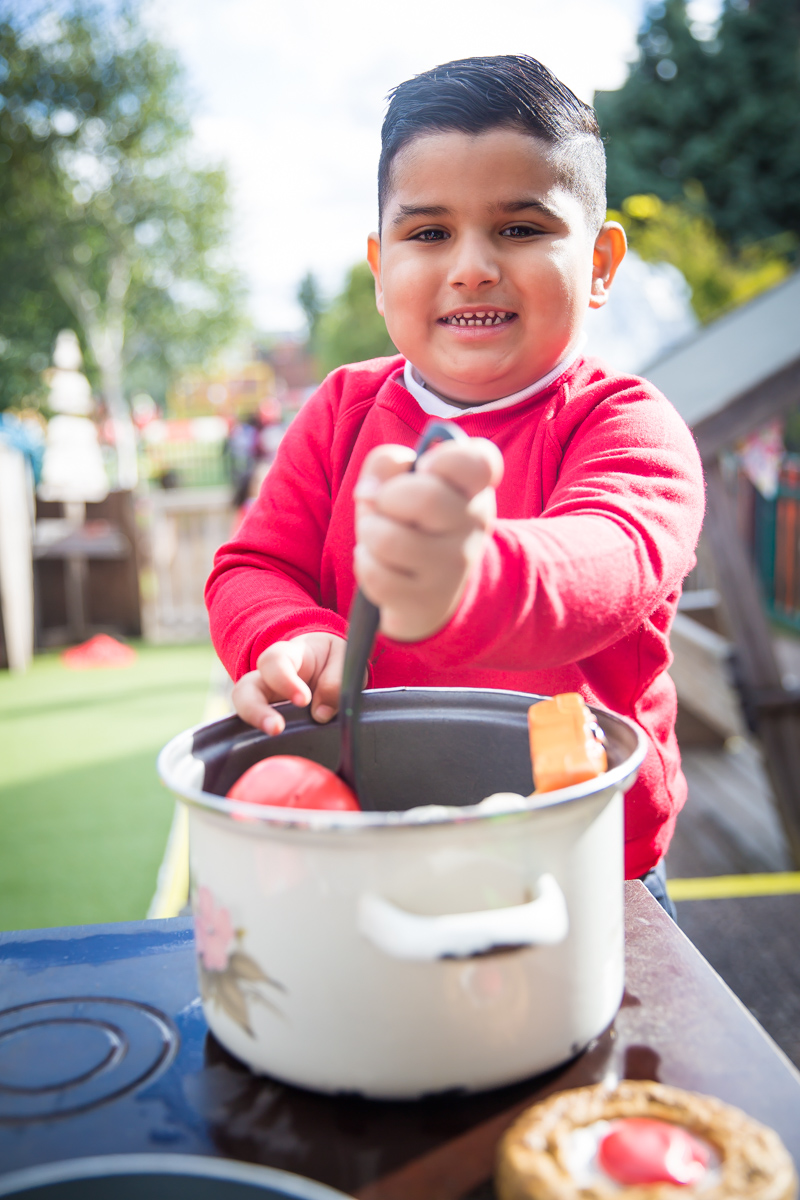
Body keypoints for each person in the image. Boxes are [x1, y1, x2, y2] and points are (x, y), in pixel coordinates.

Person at [206, 55, 704, 914]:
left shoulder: (629, 423)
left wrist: (467, 578)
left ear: (601, 260)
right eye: (429, 233)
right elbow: (252, 567)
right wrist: (290, 634)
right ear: (379, 261)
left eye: (520, 228)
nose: (471, 266)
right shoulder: (340, 412)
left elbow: (606, 562)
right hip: (366, 842)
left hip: (580, 864)